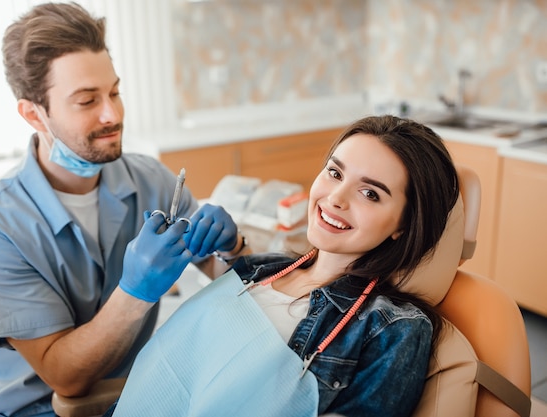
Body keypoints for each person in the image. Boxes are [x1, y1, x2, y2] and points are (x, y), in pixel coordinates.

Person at [0, 3, 248, 416]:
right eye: (87, 100)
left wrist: (235, 247)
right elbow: (66, 378)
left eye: (114, 92)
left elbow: (234, 281)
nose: (113, 114)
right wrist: (135, 291)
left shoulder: (153, 181)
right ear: (33, 114)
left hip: (126, 399)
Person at [105, 115, 459, 417]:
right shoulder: (262, 268)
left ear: (404, 224)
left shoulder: (391, 329)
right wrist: (228, 248)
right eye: (335, 173)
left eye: (370, 194)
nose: (335, 199)